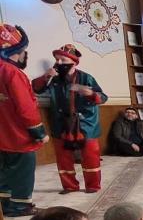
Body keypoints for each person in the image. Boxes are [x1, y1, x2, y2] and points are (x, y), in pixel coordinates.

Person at [32, 44, 108, 194]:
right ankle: (70, 186)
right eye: (57, 60)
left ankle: (93, 185)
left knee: (90, 155)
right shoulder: (53, 79)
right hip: (61, 124)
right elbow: (35, 88)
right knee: (63, 157)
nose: (59, 63)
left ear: (74, 62)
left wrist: (90, 93)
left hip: (85, 124)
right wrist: (45, 76)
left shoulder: (86, 78)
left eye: (62, 60)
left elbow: (103, 97)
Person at [0, 24, 49, 217]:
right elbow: (25, 107)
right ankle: (19, 205)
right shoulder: (13, 73)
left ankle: (4, 202)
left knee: (3, 169)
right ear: (16, 51)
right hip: (18, 135)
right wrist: (39, 132)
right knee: (23, 170)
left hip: (2, 134)